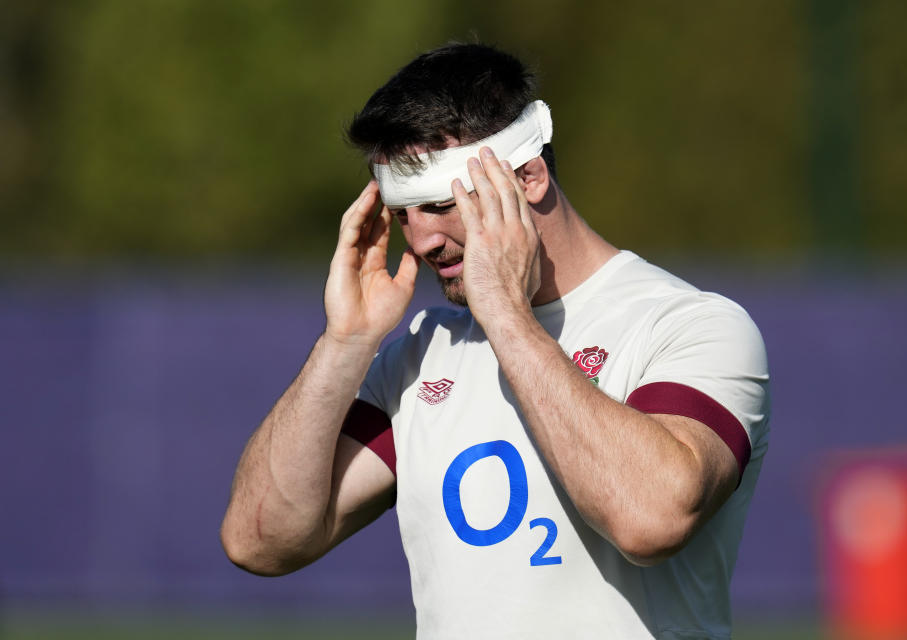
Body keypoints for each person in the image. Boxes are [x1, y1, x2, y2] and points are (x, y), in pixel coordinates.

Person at [221, 42, 770, 639]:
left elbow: (651, 519)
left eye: (440, 203)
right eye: (405, 213)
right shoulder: (420, 357)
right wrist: (344, 343)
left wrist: (507, 315)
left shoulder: (692, 326)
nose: (425, 241)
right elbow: (259, 539)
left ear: (529, 175)